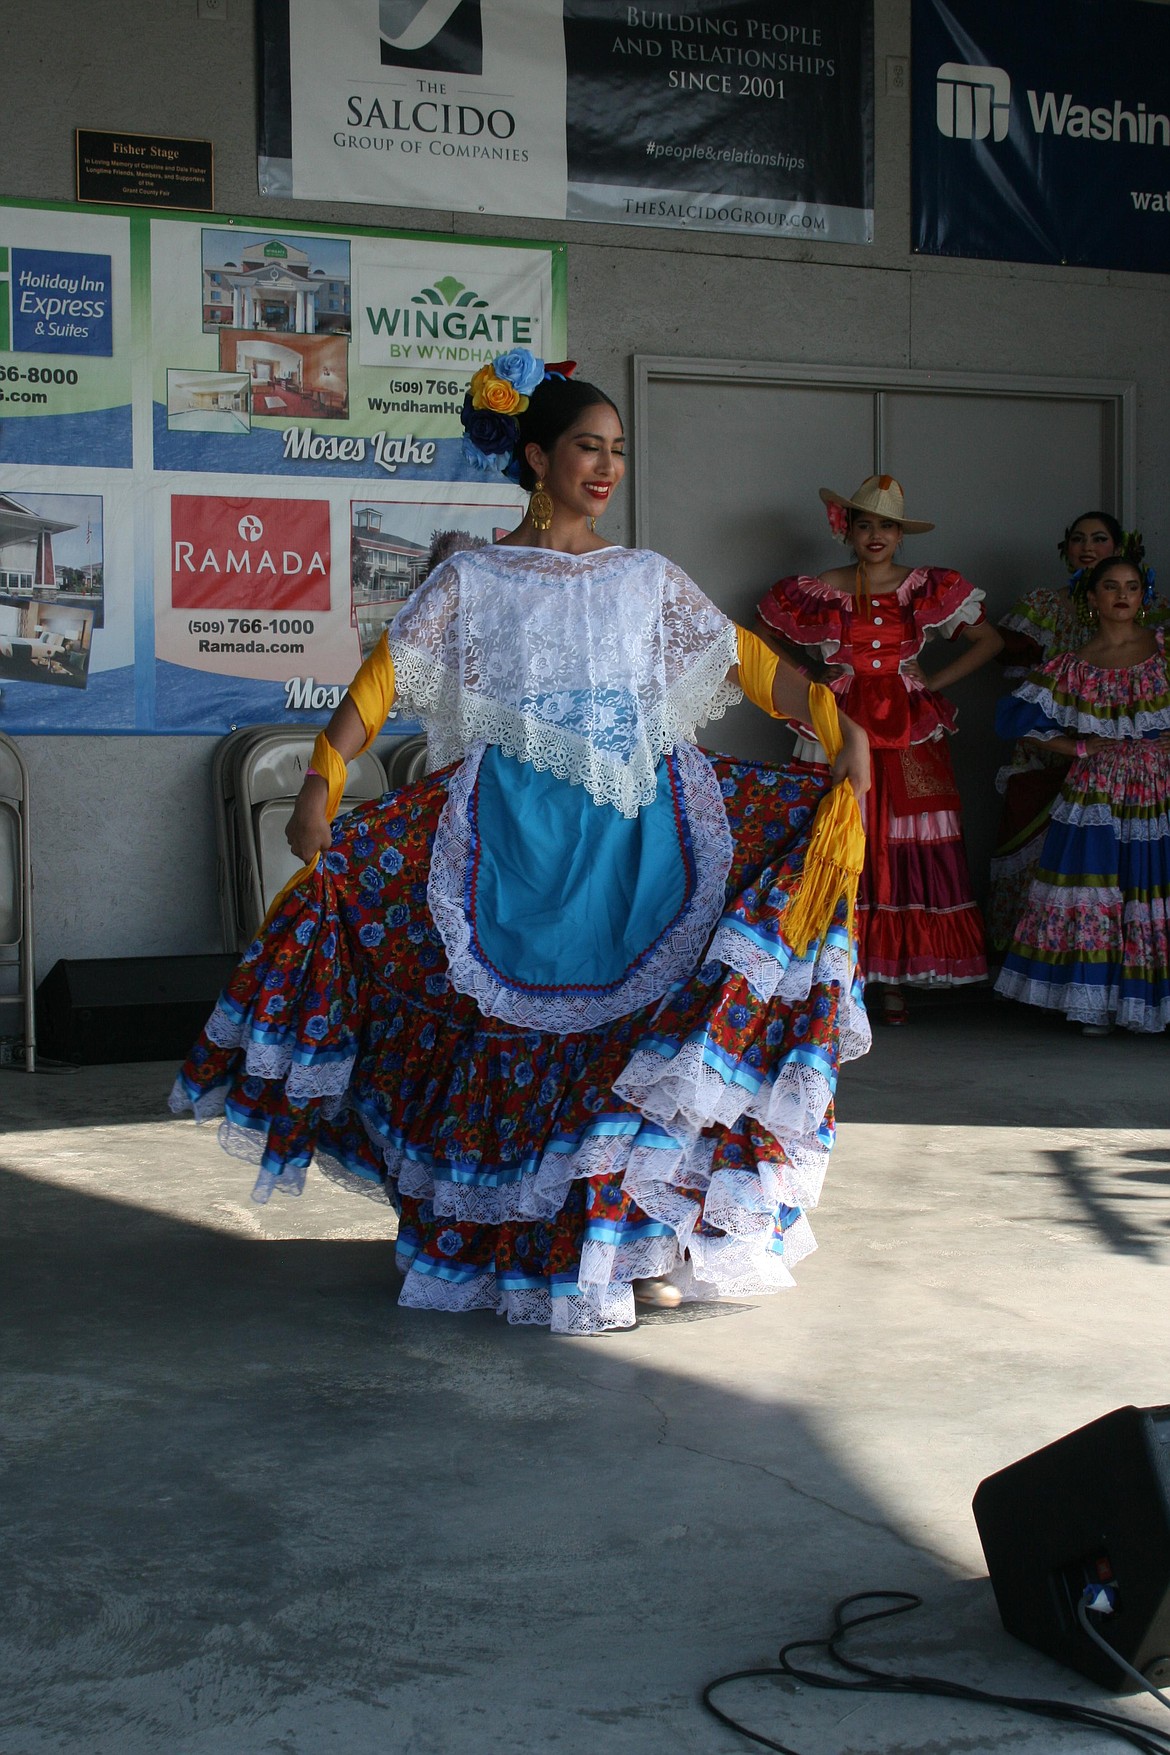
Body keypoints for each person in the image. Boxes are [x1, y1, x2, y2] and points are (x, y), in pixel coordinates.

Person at [171, 350, 872, 1335]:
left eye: (619, 451)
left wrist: (847, 729)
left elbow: (760, 671)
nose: (607, 467)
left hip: (644, 842)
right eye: (588, 447)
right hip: (512, 843)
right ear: (537, 455)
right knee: (520, 1039)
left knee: (625, 1052)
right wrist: (321, 783)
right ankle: (525, 1247)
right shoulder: (472, 578)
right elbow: (377, 687)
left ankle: (624, 1242)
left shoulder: (646, 579)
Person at [755, 476, 1002, 1024]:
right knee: (842, 829)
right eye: (864, 524)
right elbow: (760, 634)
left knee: (904, 835)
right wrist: (808, 679)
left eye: (885, 525)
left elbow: (990, 641)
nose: (874, 535)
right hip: (839, 721)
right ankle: (836, 976)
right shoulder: (820, 587)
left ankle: (895, 977)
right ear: (847, 529)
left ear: (899, 534)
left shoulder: (925, 587)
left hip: (910, 723)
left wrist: (933, 683)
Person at [995, 554, 1170, 1035]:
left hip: (1159, 784)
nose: (1122, 595)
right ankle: (1096, 1002)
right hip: (1098, 790)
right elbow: (1017, 719)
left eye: (1132, 587)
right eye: (1111, 586)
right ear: (1091, 598)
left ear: (1143, 596)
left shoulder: (1165, 651)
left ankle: (1153, 1002)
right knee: (1101, 887)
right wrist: (1078, 745)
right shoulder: (1074, 666)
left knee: (1152, 884)